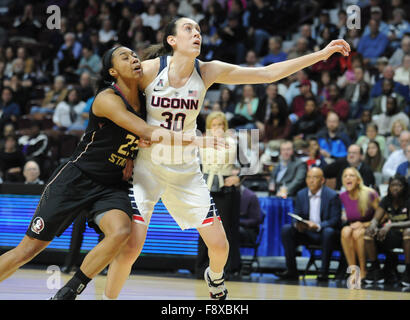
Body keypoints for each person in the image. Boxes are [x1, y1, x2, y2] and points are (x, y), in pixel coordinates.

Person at [102, 17, 350, 300]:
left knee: (220, 247)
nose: (196, 33)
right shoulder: (148, 70)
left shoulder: (207, 71)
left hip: (185, 170)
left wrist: (321, 54)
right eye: (188, 29)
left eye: (198, 30)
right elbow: (114, 104)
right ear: (171, 41)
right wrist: (134, 134)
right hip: (148, 167)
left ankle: (215, 276)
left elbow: (267, 74)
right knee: (132, 247)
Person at [0, 46, 180, 300]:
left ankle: (68, 292)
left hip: (110, 185)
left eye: (135, 55)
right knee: (27, 251)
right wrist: (199, 142)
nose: (133, 59)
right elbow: (146, 131)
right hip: (75, 179)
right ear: (112, 71)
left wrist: (133, 153)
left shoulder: (146, 100)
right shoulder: (107, 98)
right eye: (125, 57)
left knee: (120, 232)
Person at [196, 111, 241, 278]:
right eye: (214, 125)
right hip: (205, 188)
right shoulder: (201, 142)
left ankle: (226, 269)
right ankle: (201, 267)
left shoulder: (233, 142)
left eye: (221, 125)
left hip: (226, 190)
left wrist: (238, 177)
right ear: (209, 127)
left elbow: (249, 163)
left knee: (226, 230)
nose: (218, 128)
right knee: (204, 228)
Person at [277, 167, 341, 281]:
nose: (311, 181)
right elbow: (296, 215)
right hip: (306, 233)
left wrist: (318, 226)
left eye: (315, 178)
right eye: (309, 177)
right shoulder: (301, 194)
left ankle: (323, 272)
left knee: (329, 232)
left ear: (322, 180)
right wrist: (298, 225)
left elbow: (335, 220)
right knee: (286, 229)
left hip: (324, 233)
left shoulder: (332, 196)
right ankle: (291, 270)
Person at [364, 174, 410, 286]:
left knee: (408, 232)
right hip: (393, 236)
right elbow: (376, 218)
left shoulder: (408, 200)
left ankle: (408, 271)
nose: (395, 188)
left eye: (399, 185)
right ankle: (375, 268)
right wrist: (373, 226)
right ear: (389, 187)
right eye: (393, 185)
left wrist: (390, 225)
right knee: (368, 234)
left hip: (406, 237)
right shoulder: (386, 200)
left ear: (405, 187)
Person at [339, 167, 379, 284]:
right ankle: (353, 271)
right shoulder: (343, 196)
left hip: (371, 228)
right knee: (345, 231)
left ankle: (363, 270)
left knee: (358, 232)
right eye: (345, 176)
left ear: (358, 180)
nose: (348, 178)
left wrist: (364, 224)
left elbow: (383, 216)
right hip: (354, 227)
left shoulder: (370, 193)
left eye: (351, 175)